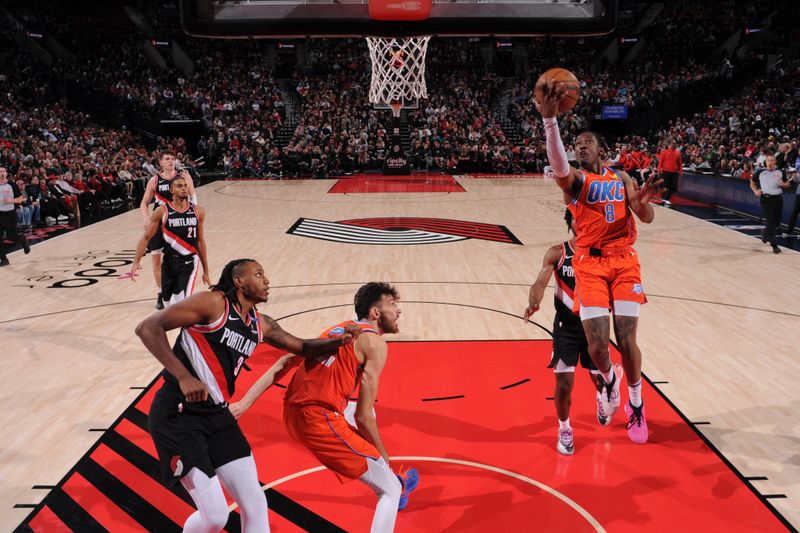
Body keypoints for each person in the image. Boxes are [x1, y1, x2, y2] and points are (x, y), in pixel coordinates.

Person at [135, 258, 361, 533]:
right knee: (216, 517)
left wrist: (339, 341)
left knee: (255, 502)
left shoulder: (260, 324)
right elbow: (147, 328)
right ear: (238, 280)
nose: (266, 280)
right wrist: (183, 376)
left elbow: (302, 346)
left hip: (217, 415)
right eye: (258, 273)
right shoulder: (213, 303)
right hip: (178, 416)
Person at [231, 282, 418, 532]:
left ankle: (389, 477)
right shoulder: (375, 344)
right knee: (389, 489)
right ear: (375, 313)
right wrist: (384, 455)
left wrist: (244, 404)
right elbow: (363, 416)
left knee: (362, 425)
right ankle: (395, 484)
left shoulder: (336, 330)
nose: (399, 311)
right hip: (318, 418)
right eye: (392, 305)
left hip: (292, 413)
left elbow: (285, 361)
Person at [535, 79, 663, 444]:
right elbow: (558, 163)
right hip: (590, 265)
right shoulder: (575, 183)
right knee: (596, 348)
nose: (580, 148)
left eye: (586, 143)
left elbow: (647, 218)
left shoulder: (621, 177)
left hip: (623, 260)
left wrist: (641, 204)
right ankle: (610, 379)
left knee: (626, 336)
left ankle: (636, 405)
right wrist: (550, 122)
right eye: (577, 145)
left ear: (602, 149)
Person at [524, 208, 609, 455]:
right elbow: (540, 283)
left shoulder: (601, 253)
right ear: (569, 221)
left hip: (594, 327)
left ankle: (602, 399)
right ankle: (564, 429)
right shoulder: (558, 253)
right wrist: (533, 302)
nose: (580, 220)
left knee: (600, 380)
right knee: (563, 384)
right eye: (575, 216)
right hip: (566, 328)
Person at [132, 176, 210, 306]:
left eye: (185, 185)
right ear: (171, 190)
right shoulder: (162, 211)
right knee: (167, 304)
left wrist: (206, 271)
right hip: (168, 262)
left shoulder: (198, 211)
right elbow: (145, 238)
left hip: (189, 262)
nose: (184, 188)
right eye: (179, 186)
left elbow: (200, 242)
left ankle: (188, 325)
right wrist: (136, 262)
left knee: (181, 304)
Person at [139, 152, 197, 309]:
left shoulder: (184, 176)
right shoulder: (155, 180)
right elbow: (144, 203)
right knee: (156, 260)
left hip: (178, 223)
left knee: (178, 259)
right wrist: (146, 218)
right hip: (159, 222)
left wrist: (192, 215)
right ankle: (160, 292)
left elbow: (193, 198)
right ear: (160, 162)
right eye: (167, 159)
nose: (171, 161)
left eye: (172, 159)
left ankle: (179, 292)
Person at [750, 154, 790, 253]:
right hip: (765, 199)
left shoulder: (780, 172)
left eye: (772, 160)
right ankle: (774, 245)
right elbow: (752, 182)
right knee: (771, 222)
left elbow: (788, 183)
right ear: (765, 162)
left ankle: (765, 231)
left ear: (775, 162)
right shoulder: (760, 172)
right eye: (768, 160)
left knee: (777, 223)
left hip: (777, 199)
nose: (770, 162)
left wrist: (783, 184)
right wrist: (755, 191)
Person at [0, 167, 31, 266]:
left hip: (10, 215)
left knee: (12, 237)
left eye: (3, 171)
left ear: (6, 173)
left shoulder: (12, 185)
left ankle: (23, 240)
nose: (1, 173)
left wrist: (9, 201)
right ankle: (4, 259)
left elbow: (20, 199)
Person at [657, 141, 682, 206]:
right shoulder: (665, 152)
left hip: (674, 172)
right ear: (670, 145)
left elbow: (680, 164)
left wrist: (681, 171)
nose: (674, 145)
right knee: (665, 185)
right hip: (666, 171)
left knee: (672, 186)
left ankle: (666, 199)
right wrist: (659, 170)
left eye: (675, 144)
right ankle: (664, 198)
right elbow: (660, 162)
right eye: (672, 144)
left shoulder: (678, 153)